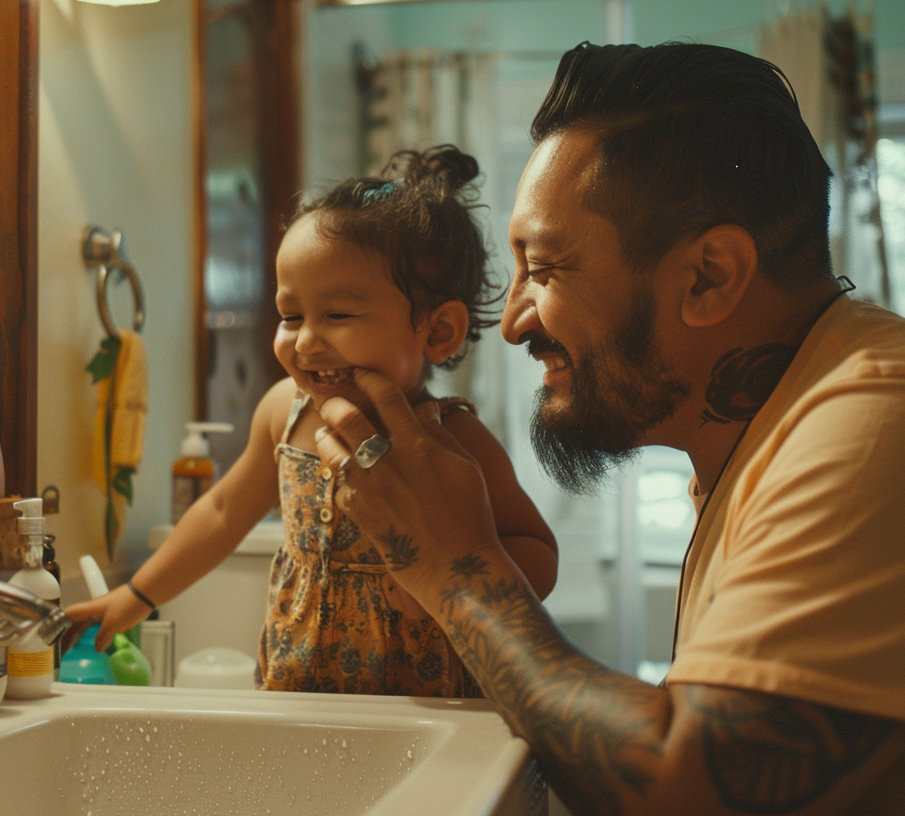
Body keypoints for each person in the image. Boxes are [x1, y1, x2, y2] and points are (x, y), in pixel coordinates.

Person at [309, 43, 905, 814]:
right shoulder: (772, 430)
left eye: (544, 269)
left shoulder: (893, 425)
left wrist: (457, 573)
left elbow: (687, 791)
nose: (512, 322)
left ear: (710, 276)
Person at [66, 146, 557, 697]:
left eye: (338, 316)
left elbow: (538, 549)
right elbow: (224, 512)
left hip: (426, 702)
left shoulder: (451, 441)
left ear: (437, 332)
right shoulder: (285, 412)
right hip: (297, 688)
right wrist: (135, 597)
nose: (304, 341)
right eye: (290, 315)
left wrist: (447, 579)